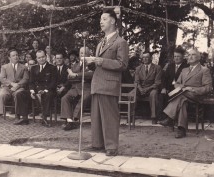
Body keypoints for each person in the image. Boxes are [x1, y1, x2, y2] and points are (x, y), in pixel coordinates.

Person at [89, 9, 128, 156]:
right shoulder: (100, 43)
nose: (101, 22)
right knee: (96, 116)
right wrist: (91, 63)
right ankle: (98, 143)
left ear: (112, 21)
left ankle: (111, 147)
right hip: (97, 83)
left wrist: (102, 61)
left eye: (104, 19)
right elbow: (98, 63)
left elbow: (122, 64)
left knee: (109, 116)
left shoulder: (120, 42)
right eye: (101, 19)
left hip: (109, 84)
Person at [159, 49, 212, 138]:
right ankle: (181, 129)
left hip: (196, 96)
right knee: (182, 101)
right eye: (189, 55)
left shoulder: (204, 70)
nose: (190, 57)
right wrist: (182, 88)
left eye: (193, 55)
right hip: (183, 95)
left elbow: (208, 88)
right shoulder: (184, 70)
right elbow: (177, 83)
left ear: (198, 58)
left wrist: (191, 89)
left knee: (180, 96)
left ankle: (169, 118)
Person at [60, 47, 93, 131]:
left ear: (89, 54)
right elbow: (69, 78)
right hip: (75, 87)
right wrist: (74, 75)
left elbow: (91, 75)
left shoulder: (92, 65)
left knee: (84, 99)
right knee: (65, 98)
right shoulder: (75, 65)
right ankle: (69, 120)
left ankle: (75, 118)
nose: (83, 55)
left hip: (86, 88)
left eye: (85, 53)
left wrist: (76, 75)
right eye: (81, 53)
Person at [0, 49, 29, 124]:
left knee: (18, 94)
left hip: (19, 87)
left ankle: (17, 116)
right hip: (7, 87)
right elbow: (2, 79)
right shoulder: (4, 67)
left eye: (16, 55)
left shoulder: (24, 67)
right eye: (13, 55)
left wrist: (18, 85)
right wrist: (12, 84)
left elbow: (25, 79)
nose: (16, 57)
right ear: (9, 58)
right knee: (2, 95)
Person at [29, 50, 57, 127]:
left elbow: (53, 82)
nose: (41, 59)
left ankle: (44, 117)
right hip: (37, 90)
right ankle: (25, 117)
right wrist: (32, 91)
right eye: (39, 58)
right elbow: (31, 82)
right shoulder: (33, 68)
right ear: (36, 59)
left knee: (47, 95)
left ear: (46, 57)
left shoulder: (52, 68)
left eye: (43, 57)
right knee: (26, 94)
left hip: (49, 89)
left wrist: (45, 90)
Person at [134, 51, 162, 124]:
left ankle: (154, 117)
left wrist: (147, 89)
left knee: (154, 94)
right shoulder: (138, 68)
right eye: (143, 57)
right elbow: (136, 82)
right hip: (140, 88)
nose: (145, 59)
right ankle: (131, 115)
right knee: (132, 94)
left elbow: (157, 82)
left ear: (151, 58)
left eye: (147, 57)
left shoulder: (157, 68)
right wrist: (140, 89)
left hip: (151, 88)